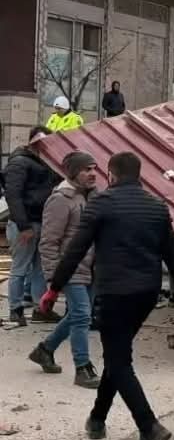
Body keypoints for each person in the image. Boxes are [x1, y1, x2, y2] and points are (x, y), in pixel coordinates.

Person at [40, 151, 174, 440]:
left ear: (112, 176)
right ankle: (98, 419)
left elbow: (76, 248)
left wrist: (54, 288)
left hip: (114, 292)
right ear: (139, 174)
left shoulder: (101, 204)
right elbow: (173, 252)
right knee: (118, 355)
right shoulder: (157, 206)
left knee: (118, 361)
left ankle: (148, 426)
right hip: (146, 293)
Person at [29, 151, 102, 388]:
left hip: (90, 267)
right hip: (69, 270)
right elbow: (48, 242)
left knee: (78, 315)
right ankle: (83, 368)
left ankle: (45, 349)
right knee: (81, 316)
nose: (92, 174)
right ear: (73, 173)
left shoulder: (88, 196)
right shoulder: (61, 199)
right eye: (87, 169)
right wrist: (53, 278)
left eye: (94, 169)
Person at [4, 126, 59, 327]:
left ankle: (40, 309)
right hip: (25, 224)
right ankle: (15, 310)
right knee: (20, 268)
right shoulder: (19, 163)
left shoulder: (43, 163)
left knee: (40, 269)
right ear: (33, 142)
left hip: (40, 222)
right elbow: (13, 196)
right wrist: (23, 225)